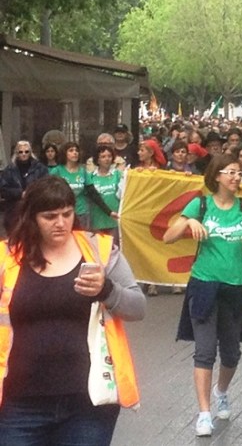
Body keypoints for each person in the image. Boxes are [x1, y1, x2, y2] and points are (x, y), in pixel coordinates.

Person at [0, 175, 146, 445]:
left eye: (67, 214)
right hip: (19, 403)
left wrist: (106, 290)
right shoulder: (7, 256)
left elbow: (138, 308)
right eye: (50, 216)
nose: (61, 223)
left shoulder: (100, 250)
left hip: (87, 404)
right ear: (31, 217)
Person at [164, 153, 242, 437]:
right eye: (231, 172)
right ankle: (204, 414)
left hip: (235, 286)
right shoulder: (200, 204)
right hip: (204, 285)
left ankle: (222, 391)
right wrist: (188, 223)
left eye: (239, 173)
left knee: (231, 353)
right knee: (205, 351)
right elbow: (168, 236)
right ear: (217, 175)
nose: (236, 177)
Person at [0, 141, 49, 233]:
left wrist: (31, 193)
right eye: (20, 152)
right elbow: (3, 190)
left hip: (35, 208)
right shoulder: (9, 170)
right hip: (14, 210)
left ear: (30, 152)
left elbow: (46, 186)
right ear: (16, 153)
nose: (23, 154)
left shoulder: (40, 168)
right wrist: (20, 194)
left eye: (26, 151)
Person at [85, 145, 122, 238]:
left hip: (115, 220)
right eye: (103, 156)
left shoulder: (118, 174)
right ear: (97, 160)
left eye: (109, 156)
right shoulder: (90, 177)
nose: (107, 159)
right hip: (97, 221)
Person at [51, 142, 90, 229]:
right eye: (71, 150)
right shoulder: (57, 171)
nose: (75, 153)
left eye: (76, 150)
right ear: (64, 153)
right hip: (63, 212)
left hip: (81, 212)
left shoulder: (83, 171)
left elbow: (92, 191)